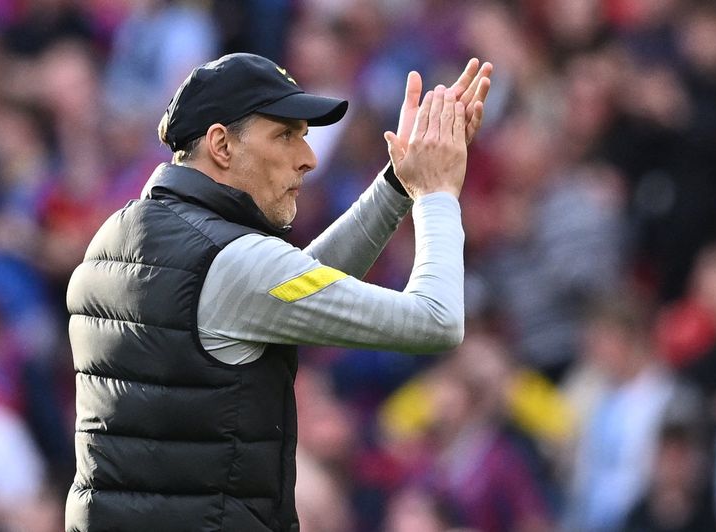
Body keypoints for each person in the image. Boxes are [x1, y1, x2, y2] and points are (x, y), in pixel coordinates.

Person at [65, 52, 491, 531]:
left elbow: (288, 287)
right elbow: (437, 319)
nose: (308, 159)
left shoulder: (118, 236)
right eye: (286, 136)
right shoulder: (233, 262)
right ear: (221, 145)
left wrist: (398, 185)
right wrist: (436, 194)